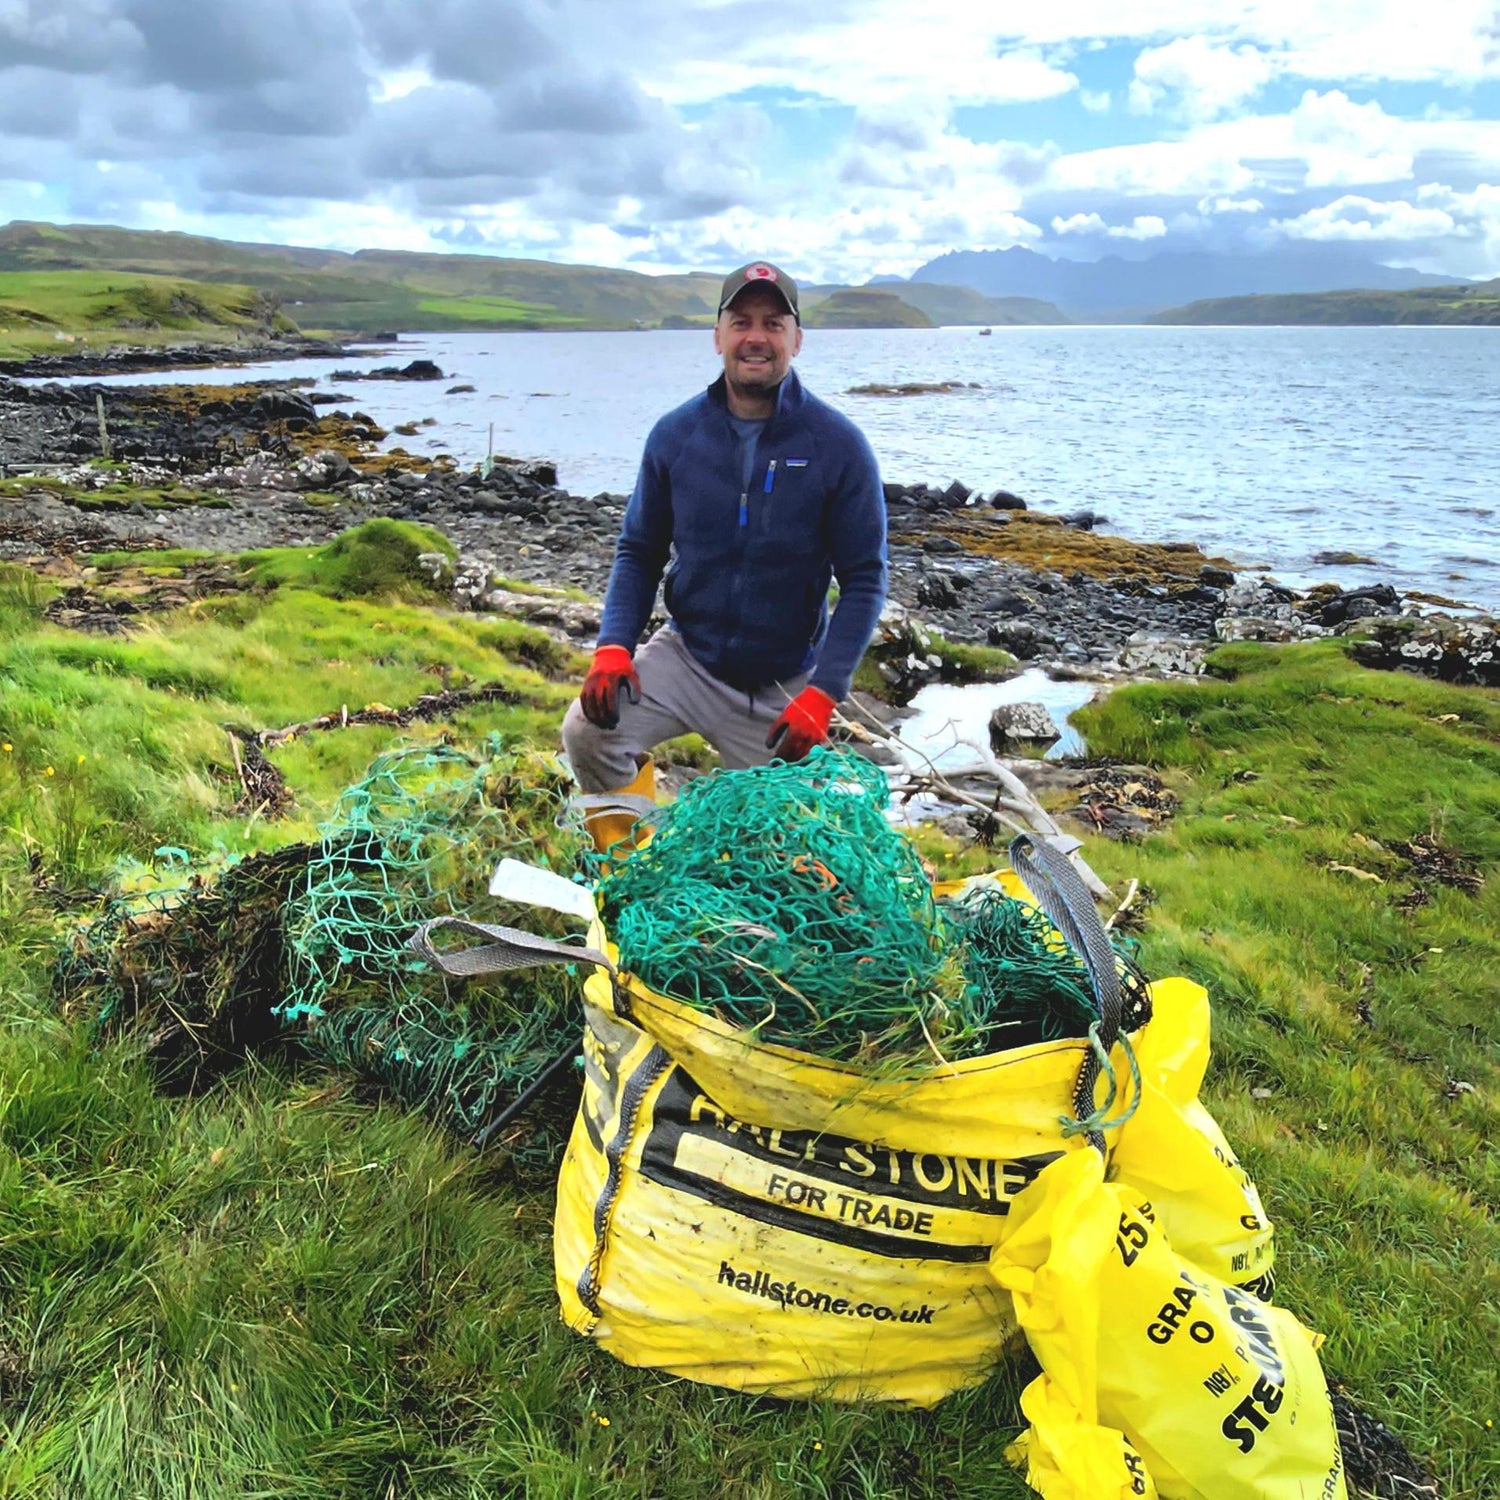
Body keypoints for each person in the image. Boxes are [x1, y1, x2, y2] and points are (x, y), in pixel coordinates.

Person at [561, 260, 887, 845]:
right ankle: (635, 862)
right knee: (589, 731)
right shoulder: (675, 436)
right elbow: (639, 550)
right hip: (689, 657)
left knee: (793, 853)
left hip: (784, 683)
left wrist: (824, 692)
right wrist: (613, 647)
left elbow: (864, 578)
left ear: (796, 340)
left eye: (773, 323)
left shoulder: (838, 446)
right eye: (741, 322)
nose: (755, 338)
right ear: (718, 336)